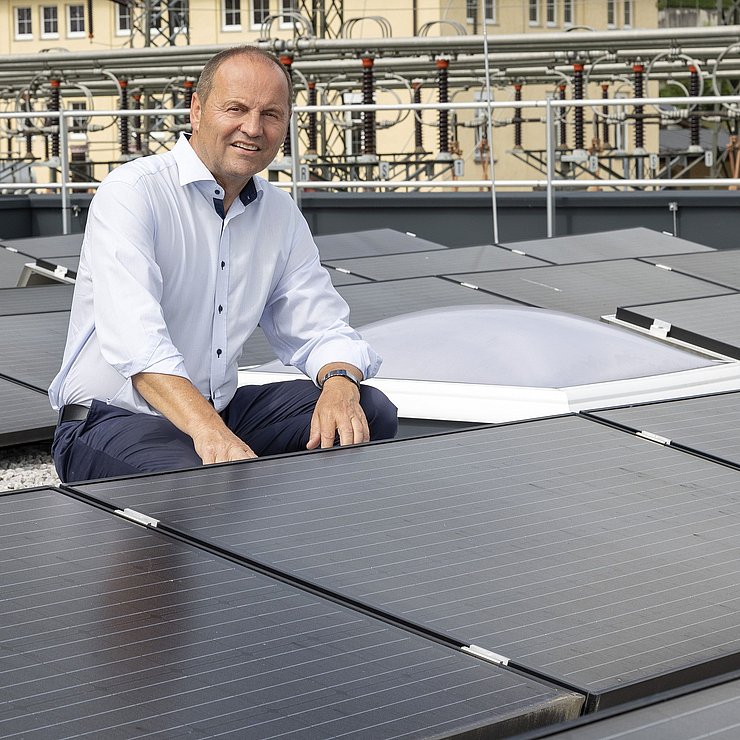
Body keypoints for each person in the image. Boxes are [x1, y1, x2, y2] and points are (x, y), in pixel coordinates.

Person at [48, 45, 397, 483]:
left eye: (271, 114)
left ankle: (301, 539)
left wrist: (341, 384)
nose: (253, 128)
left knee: (369, 411)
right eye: (235, 108)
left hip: (220, 412)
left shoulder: (278, 214)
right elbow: (138, 346)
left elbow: (322, 328)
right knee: (203, 478)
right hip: (109, 421)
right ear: (197, 110)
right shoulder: (134, 193)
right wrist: (211, 433)